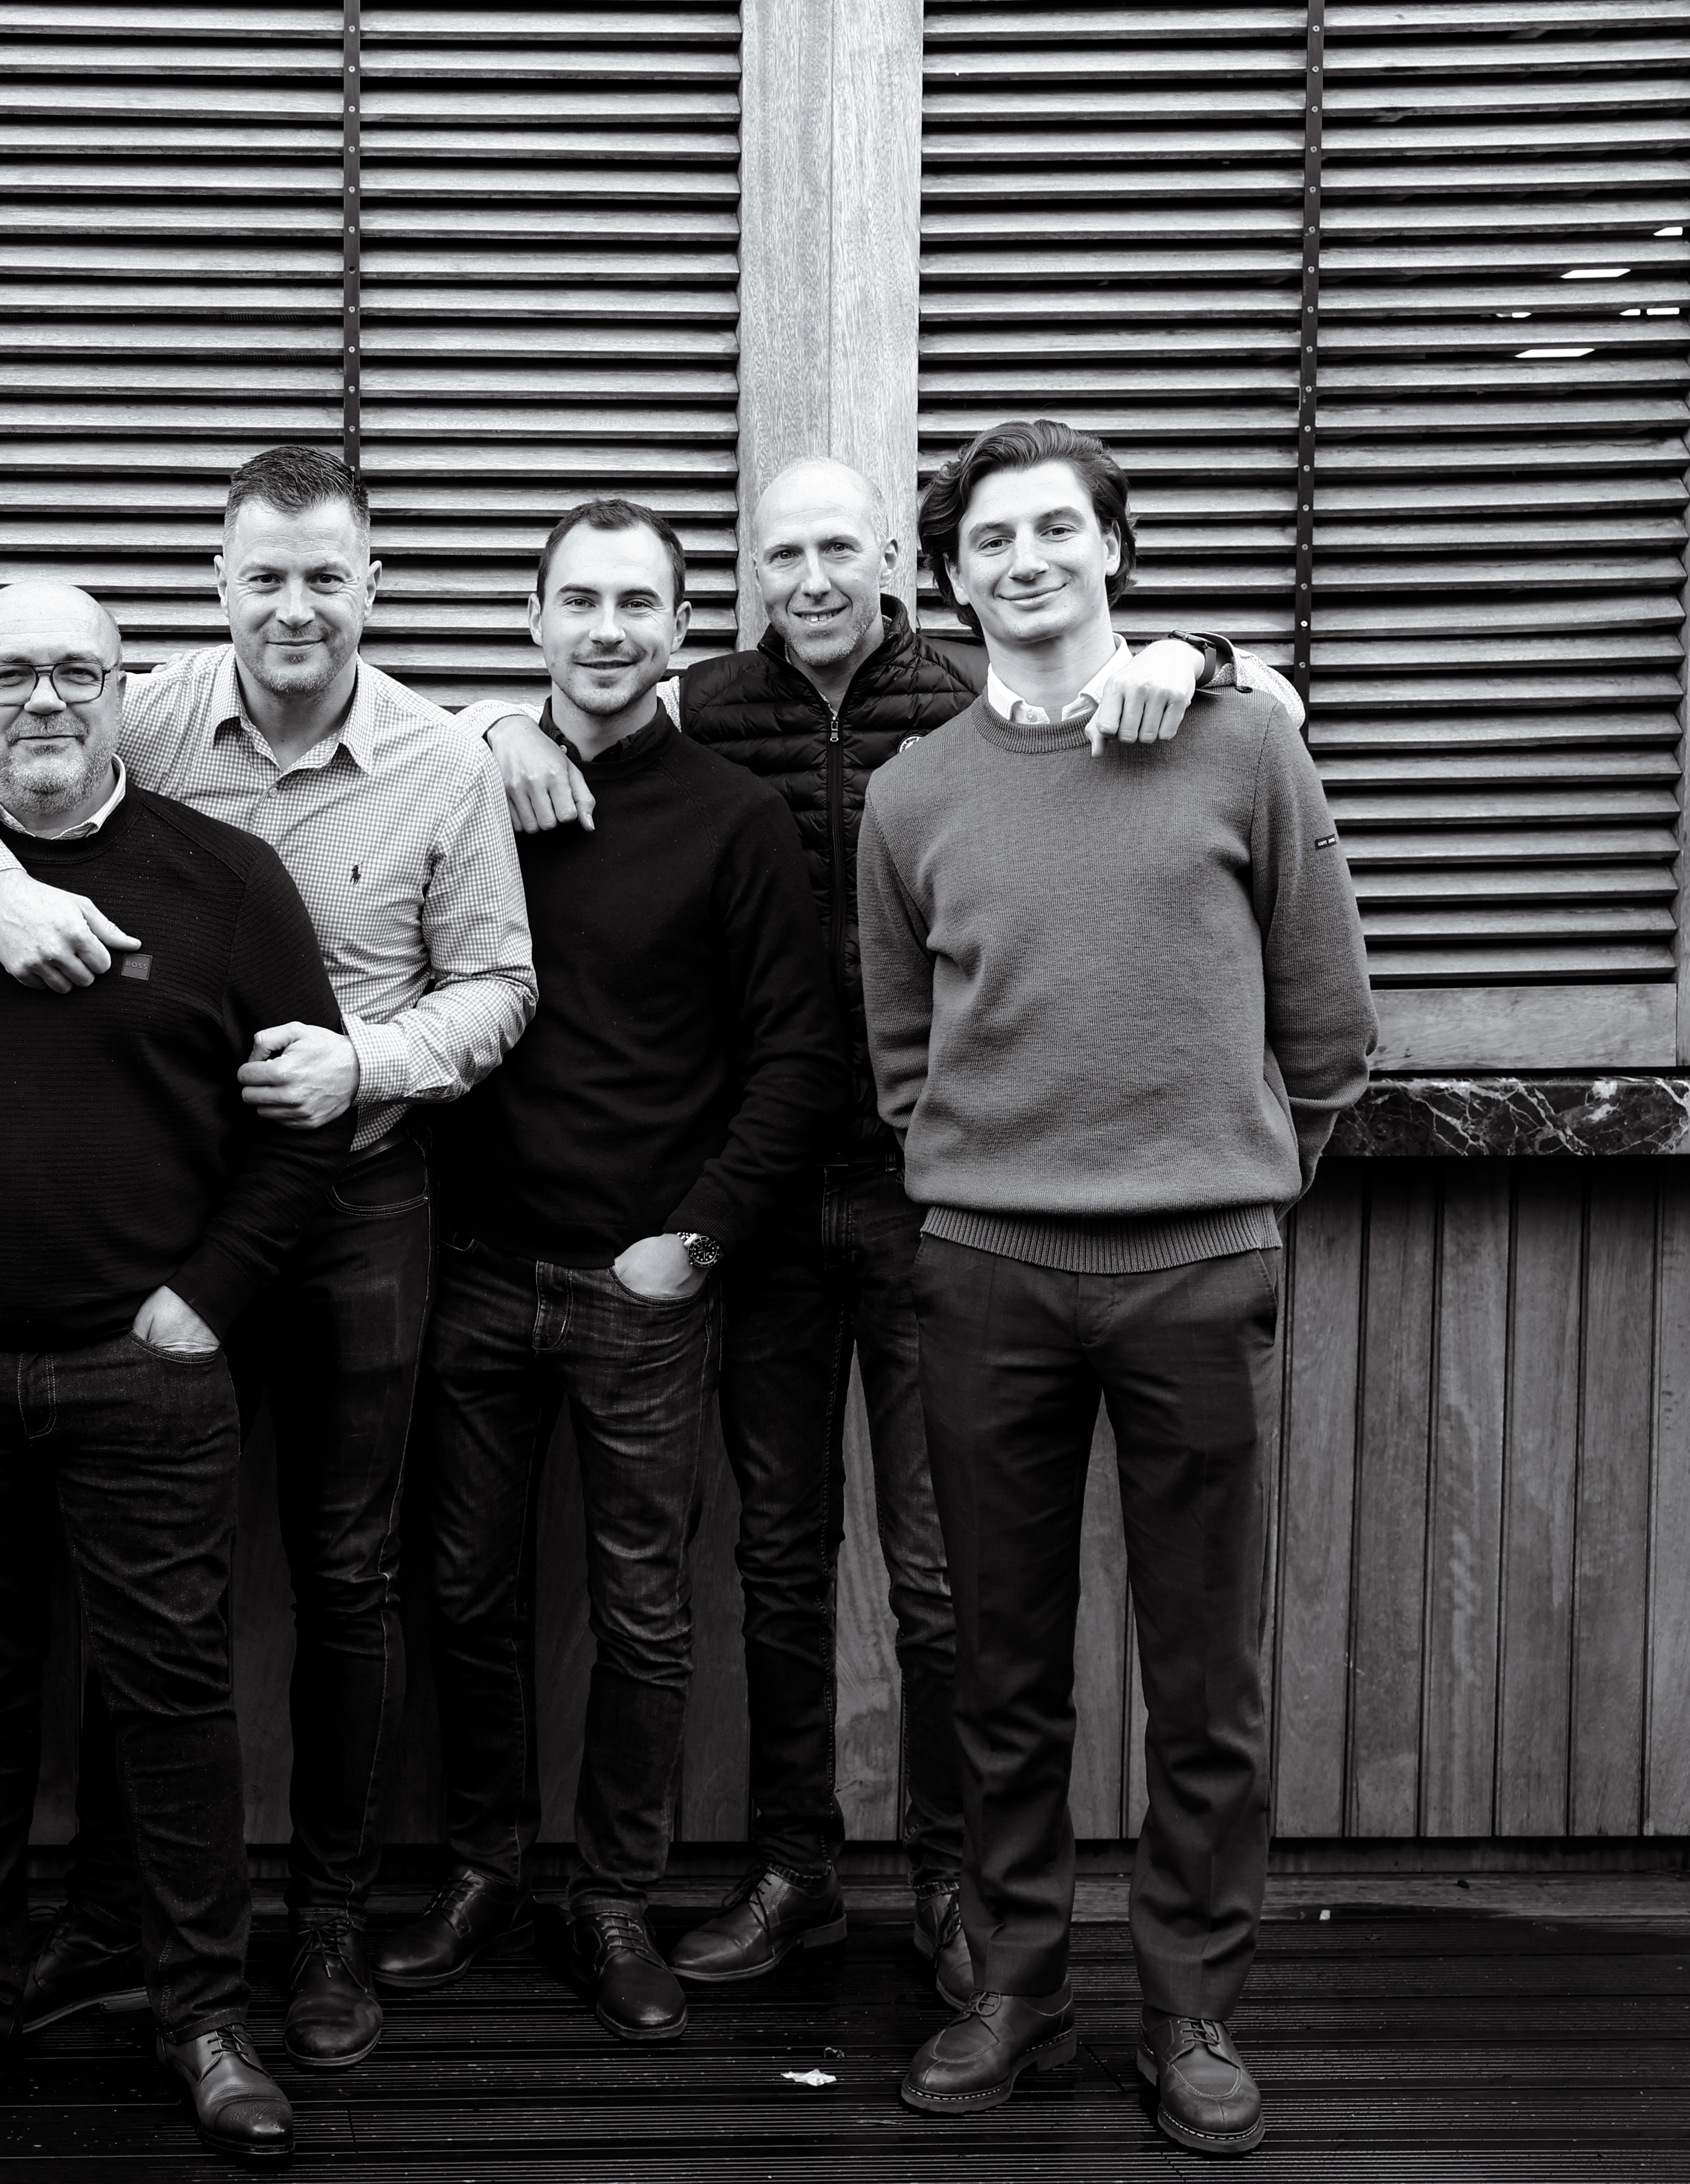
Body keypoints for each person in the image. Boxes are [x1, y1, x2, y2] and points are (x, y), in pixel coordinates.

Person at [461, 455, 1301, 2003]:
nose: (814, 579)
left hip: (947, 1202)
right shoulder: (705, 707)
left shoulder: (980, 701)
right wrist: (502, 726)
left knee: (938, 1573)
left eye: (842, 549)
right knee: (781, 1556)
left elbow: (1222, 712)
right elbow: (562, 711)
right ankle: (796, 1871)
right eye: (784, 554)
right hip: (769, 1195)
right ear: (749, 578)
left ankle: (950, 1878)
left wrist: (1209, 652)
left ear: (903, 570)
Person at [0, 444, 531, 2072]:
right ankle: (113, 1918)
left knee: (344, 1571)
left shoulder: (447, 762)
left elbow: (499, 989)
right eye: (262, 576)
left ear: (374, 587)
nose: (294, 607)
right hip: (150, 1210)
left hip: (355, 1207)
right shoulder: (134, 707)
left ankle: (329, 1926)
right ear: (217, 587)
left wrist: (365, 1064)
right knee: (134, 1573)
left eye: (326, 577)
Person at [0, 581, 354, 2161]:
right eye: (12, 674)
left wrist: (205, 1305)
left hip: (146, 1373)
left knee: (172, 1692)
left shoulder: (224, 880)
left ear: (123, 696)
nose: (45, 700)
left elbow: (300, 1127)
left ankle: (203, 2012)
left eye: (79, 674)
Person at [856, 420, 1373, 2156]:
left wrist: (1235, 1174)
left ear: (1115, 550)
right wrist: (984, 1178)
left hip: (1197, 1271)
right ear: (953, 580)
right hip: (987, 1275)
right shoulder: (911, 794)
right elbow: (902, 1047)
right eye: (990, 540)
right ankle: (1014, 1984)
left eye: (1056, 529)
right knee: (999, 1668)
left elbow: (1327, 1016)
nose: (1026, 560)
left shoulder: (1241, 743)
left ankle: (1191, 2007)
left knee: (1205, 1672)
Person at [390, 499, 839, 2046]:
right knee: (466, 1592)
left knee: (644, 1612)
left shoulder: (733, 819)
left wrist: (690, 1241)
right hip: (473, 1267)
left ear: (680, 630)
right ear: (533, 620)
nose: (605, 629)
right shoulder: (466, 786)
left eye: (636, 603)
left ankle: (614, 1900)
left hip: (641, 1283)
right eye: (577, 600)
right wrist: (485, 727)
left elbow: (798, 1058)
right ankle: (482, 1871)